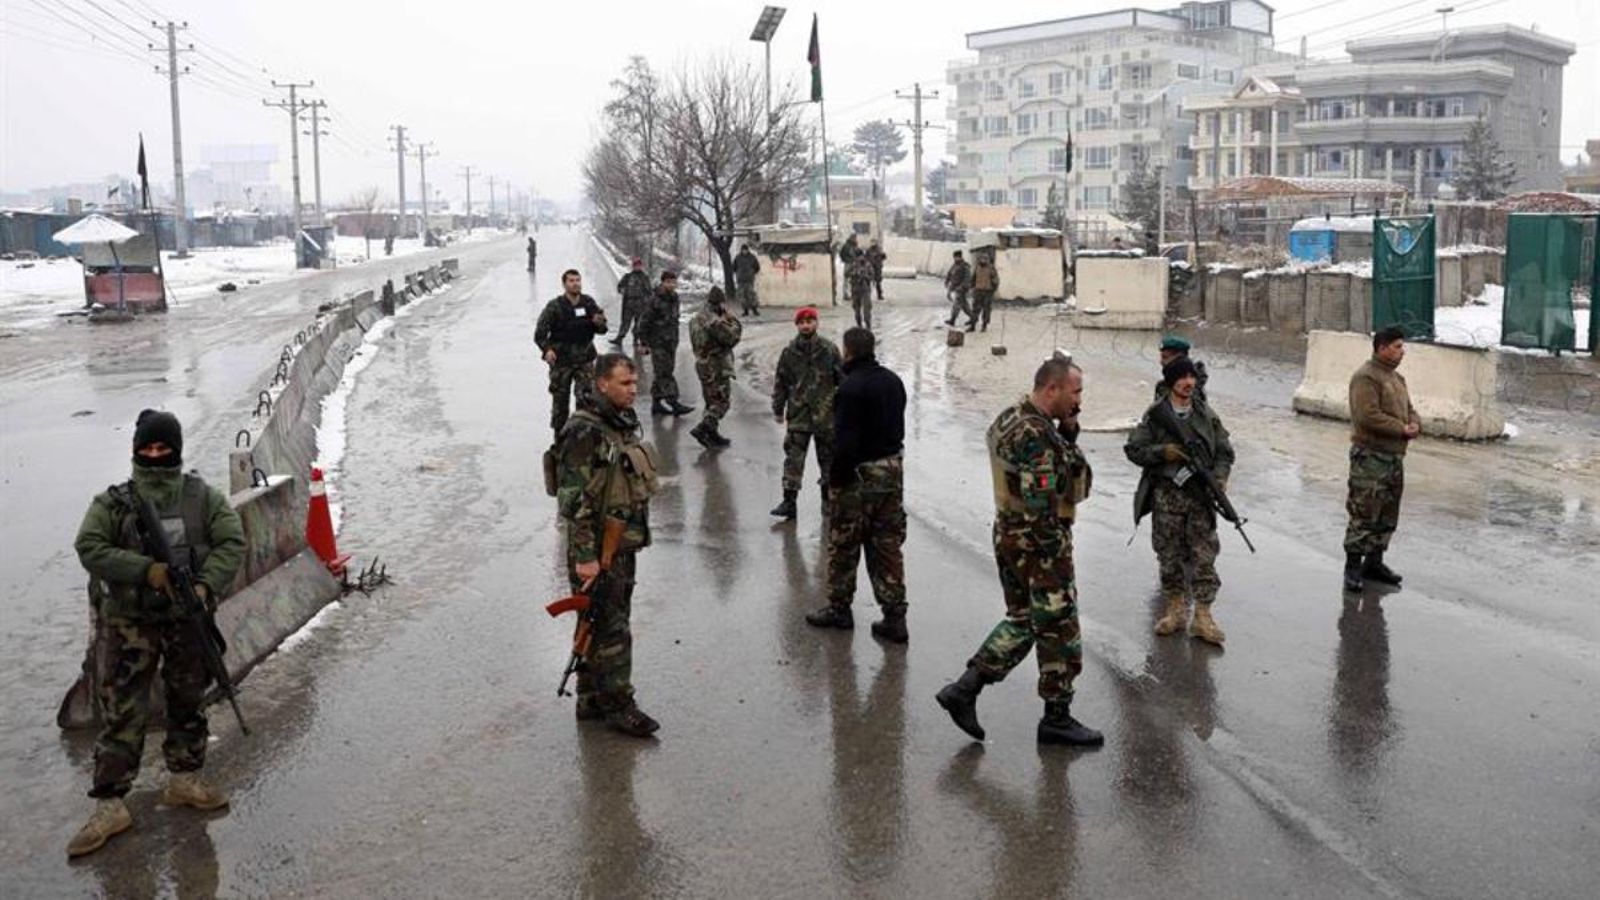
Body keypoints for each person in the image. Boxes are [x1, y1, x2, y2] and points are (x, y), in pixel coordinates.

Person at [67, 410, 246, 857]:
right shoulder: (113, 503)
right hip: (129, 624)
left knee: (189, 701)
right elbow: (89, 547)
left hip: (186, 618)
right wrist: (147, 571)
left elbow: (231, 543)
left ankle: (184, 780)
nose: (154, 455)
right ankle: (110, 806)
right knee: (123, 713)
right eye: (146, 448)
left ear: (176, 449)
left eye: (162, 448)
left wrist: (204, 586)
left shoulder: (201, 497)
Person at [935, 357, 1103, 747]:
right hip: (1039, 542)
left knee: (1024, 618)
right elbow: (1043, 497)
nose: (1079, 400)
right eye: (1075, 392)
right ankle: (1056, 718)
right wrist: (1052, 556)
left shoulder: (1012, 416)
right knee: (1058, 627)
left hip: (1009, 533)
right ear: (1053, 389)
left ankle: (965, 689)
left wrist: (1069, 434)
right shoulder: (1038, 435)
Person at [555, 354, 662, 737]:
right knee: (611, 628)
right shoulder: (585, 431)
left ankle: (590, 699)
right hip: (597, 548)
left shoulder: (618, 422)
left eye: (634, 383)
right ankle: (619, 704)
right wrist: (585, 558)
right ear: (602, 384)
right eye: (624, 383)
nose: (633, 390)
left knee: (597, 622)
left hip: (618, 544)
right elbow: (573, 500)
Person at [805, 327, 909, 643]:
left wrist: (835, 479)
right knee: (887, 545)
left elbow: (846, 443)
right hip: (891, 472)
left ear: (848, 351)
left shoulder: (850, 389)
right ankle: (895, 617)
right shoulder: (893, 381)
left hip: (859, 476)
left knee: (844, 543)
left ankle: (839, 609)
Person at [1123, 357, 1234, 645]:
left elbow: (1224, 451)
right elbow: (1134, 448)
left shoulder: (1205, 414)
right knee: (1169, 555)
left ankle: (1203, 617)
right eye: (1182, 377)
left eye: (1191, 377)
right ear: (1172, 381)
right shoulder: (1157, 414)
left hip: (1199, 498)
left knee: (1204, 556)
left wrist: (1219, 479)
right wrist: (1164, 452)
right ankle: (1175, 610)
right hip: (1167, 499)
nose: (1189, 382)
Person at [1342, 326, 1419, 592]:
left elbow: (1410, 409)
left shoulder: (1397, 379)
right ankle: (1352, 567)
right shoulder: (1366, 377)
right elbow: (1367, 416)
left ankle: (1374, 562)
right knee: (1364, 513)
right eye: (1397, 346)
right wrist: (1401, 428)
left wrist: (1415, 423)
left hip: (1394, 457)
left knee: (1387, 513)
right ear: (1382, 347)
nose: (1402, 351)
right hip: (1371, 458)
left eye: (1402, 346)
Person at [770, 306, 844, 520]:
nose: (806, 325)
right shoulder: (789, 352)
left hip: (826, 415)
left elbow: (842, 380)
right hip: (798, 415)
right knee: (793, 459)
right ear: (797, 326)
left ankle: (828, 501)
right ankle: (789, 502)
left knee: (828, 460)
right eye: (802, 322)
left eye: (810, 321)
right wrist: (778, 408)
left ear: (816, 323)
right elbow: (781, 382)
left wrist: (844, 409)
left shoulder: (829, 349)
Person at [535, 269, 609, 436]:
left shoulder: (588, 303)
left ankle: (581, 439)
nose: (575, 283)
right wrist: (547, 350)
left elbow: (602, 329)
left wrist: (599, 323)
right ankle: (560, 440)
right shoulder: (555, 306)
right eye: (571, 281)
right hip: (562, 362)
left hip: (584, 361)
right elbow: (540, 334)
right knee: (560, 404)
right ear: (564, 284)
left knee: (586, 401)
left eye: (578, 280)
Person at [687, 286, 742, 449]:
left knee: (711, 402)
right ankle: (703, 428)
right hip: (717, 366)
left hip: (703, 365)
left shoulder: (697, 317)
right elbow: (732, 337)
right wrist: (733, 320)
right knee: (722, 402)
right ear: (720, 303)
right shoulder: (715, 320)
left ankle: (711, 435)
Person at [634, 271, 694, 417]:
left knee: (662, 372)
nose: (671, 285)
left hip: (671, 341)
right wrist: (643, 342)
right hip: (658, 342)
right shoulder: (654, 300)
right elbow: (644, 321)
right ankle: (674, 402)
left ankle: (656, 403)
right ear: (662, 282)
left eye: (673, 282)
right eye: (668, 282)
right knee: (665, 372)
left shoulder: (674, 298)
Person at [1154, 335, 1209, 402]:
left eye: (1165, 357)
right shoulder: (1162, 386)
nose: (1161, 362)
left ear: (1180, 358)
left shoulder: (1191, 390)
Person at [612, 257, 651, 347]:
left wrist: (647, 301)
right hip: (628, 303)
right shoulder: (627, 277)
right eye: (635, 265)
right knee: (625, 322)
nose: (637, 266)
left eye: (638, 265)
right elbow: (619, 286)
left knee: (639, 323)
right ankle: (619, 338)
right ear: (633, 266)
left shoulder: (645, 278)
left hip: (641, 304)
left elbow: (649, 292)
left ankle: (636, 339)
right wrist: (622, 290)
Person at [969, 251, 999, 333]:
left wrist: (993, 289)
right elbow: (973, 278)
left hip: (987, 292)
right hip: (978, 291)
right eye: (982, 259)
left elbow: (995, 280)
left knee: (986, 309)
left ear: (988, 260)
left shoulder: (991, 268)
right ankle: (972, 325)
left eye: (985, 259)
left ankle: (984, 325)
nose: (983, 260)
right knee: (975, 309)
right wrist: (971, 287)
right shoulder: (977, 267)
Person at [944, 250, 973, 328]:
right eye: (954, 257)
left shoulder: (965, 266)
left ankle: (952, 320)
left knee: (956, 305)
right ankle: (973, 318)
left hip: (962, 289)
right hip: (955, 287)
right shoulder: (955, 265)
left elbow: (967, 278)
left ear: (960, 257)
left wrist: (962, 287)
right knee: (965, 306)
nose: (955, 259)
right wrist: (947, 282)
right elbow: (949, 273)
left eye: (957, 257)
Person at [847, 253, 875, 330]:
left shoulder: (868, 265)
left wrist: (865, 276)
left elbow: (872, 276)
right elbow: (846, 273)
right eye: (859, 257)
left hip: (865, 290)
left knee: (866, 311)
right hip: (855, 290)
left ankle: (868, 327)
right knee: (857, 312)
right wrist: (854, 273)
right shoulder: (853, 265)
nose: (861, 259)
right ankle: (859, 326)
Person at [732, 245, 762, 317]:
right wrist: (738, 273)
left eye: (746, 250)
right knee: (742, 296)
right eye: (743, 250)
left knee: (751, 295)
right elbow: (734, 267)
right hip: (741, 280)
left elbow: (757, 267)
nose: (744, 251)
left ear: (748, 250)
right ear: (741, 250)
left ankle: (754, 309)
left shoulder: (752, 257)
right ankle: (745, 311)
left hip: (749, 280)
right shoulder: (738, 257)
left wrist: (752, 273)